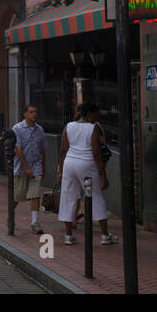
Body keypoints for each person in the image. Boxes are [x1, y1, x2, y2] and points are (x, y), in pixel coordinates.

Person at [56, 102, 115, 246]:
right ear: (90, 114)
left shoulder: (69, 126)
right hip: (86, 168)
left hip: (70, 165)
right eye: (96, 114)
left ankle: (68, 235)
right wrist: (103, 176)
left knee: (68, 196)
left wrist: (60, 169)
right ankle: (105, 235)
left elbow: (63, 149)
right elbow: (96, 153)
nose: (97, 117)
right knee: (94, 196)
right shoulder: (92, 128)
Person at [12, 104, 48, 234]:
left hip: (36, 166)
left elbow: (43, 150)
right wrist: (26, 168)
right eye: (31, 112)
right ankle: (10, 217)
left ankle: (34, 222)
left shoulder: (40, 130)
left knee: (35, 195)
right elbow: (18, 149)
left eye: (36, 112)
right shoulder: (17, 128)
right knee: (17, 196)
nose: (34, 114)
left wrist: (43, 167)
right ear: (25, 114)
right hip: (21, 168)